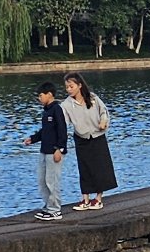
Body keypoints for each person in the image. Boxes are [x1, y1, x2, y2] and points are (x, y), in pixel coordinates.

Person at [62, 74, 116, 211]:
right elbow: (63, 122)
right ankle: (85, 199)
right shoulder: (66, 104)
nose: (69, 89)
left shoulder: (92, 98)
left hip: (97, 136)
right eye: (67, 87)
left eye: (71, 86)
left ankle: (98, 198)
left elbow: (104, 111)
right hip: (81, 138)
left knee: (101, 167)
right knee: (84, 168)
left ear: (80, 85)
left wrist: (103, 122)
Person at [23, 81, 71, 219]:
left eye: (41, 95)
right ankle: (48, 205)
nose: (39, 98)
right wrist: (33, 139)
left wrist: (59, 149)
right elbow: (45, 131)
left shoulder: (57, 109)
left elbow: (62, 131)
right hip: (44, 150)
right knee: (42, 180)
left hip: (54, 152)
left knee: (52, 180)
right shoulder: (46, 112)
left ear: (49, 95)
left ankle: (55, 209)